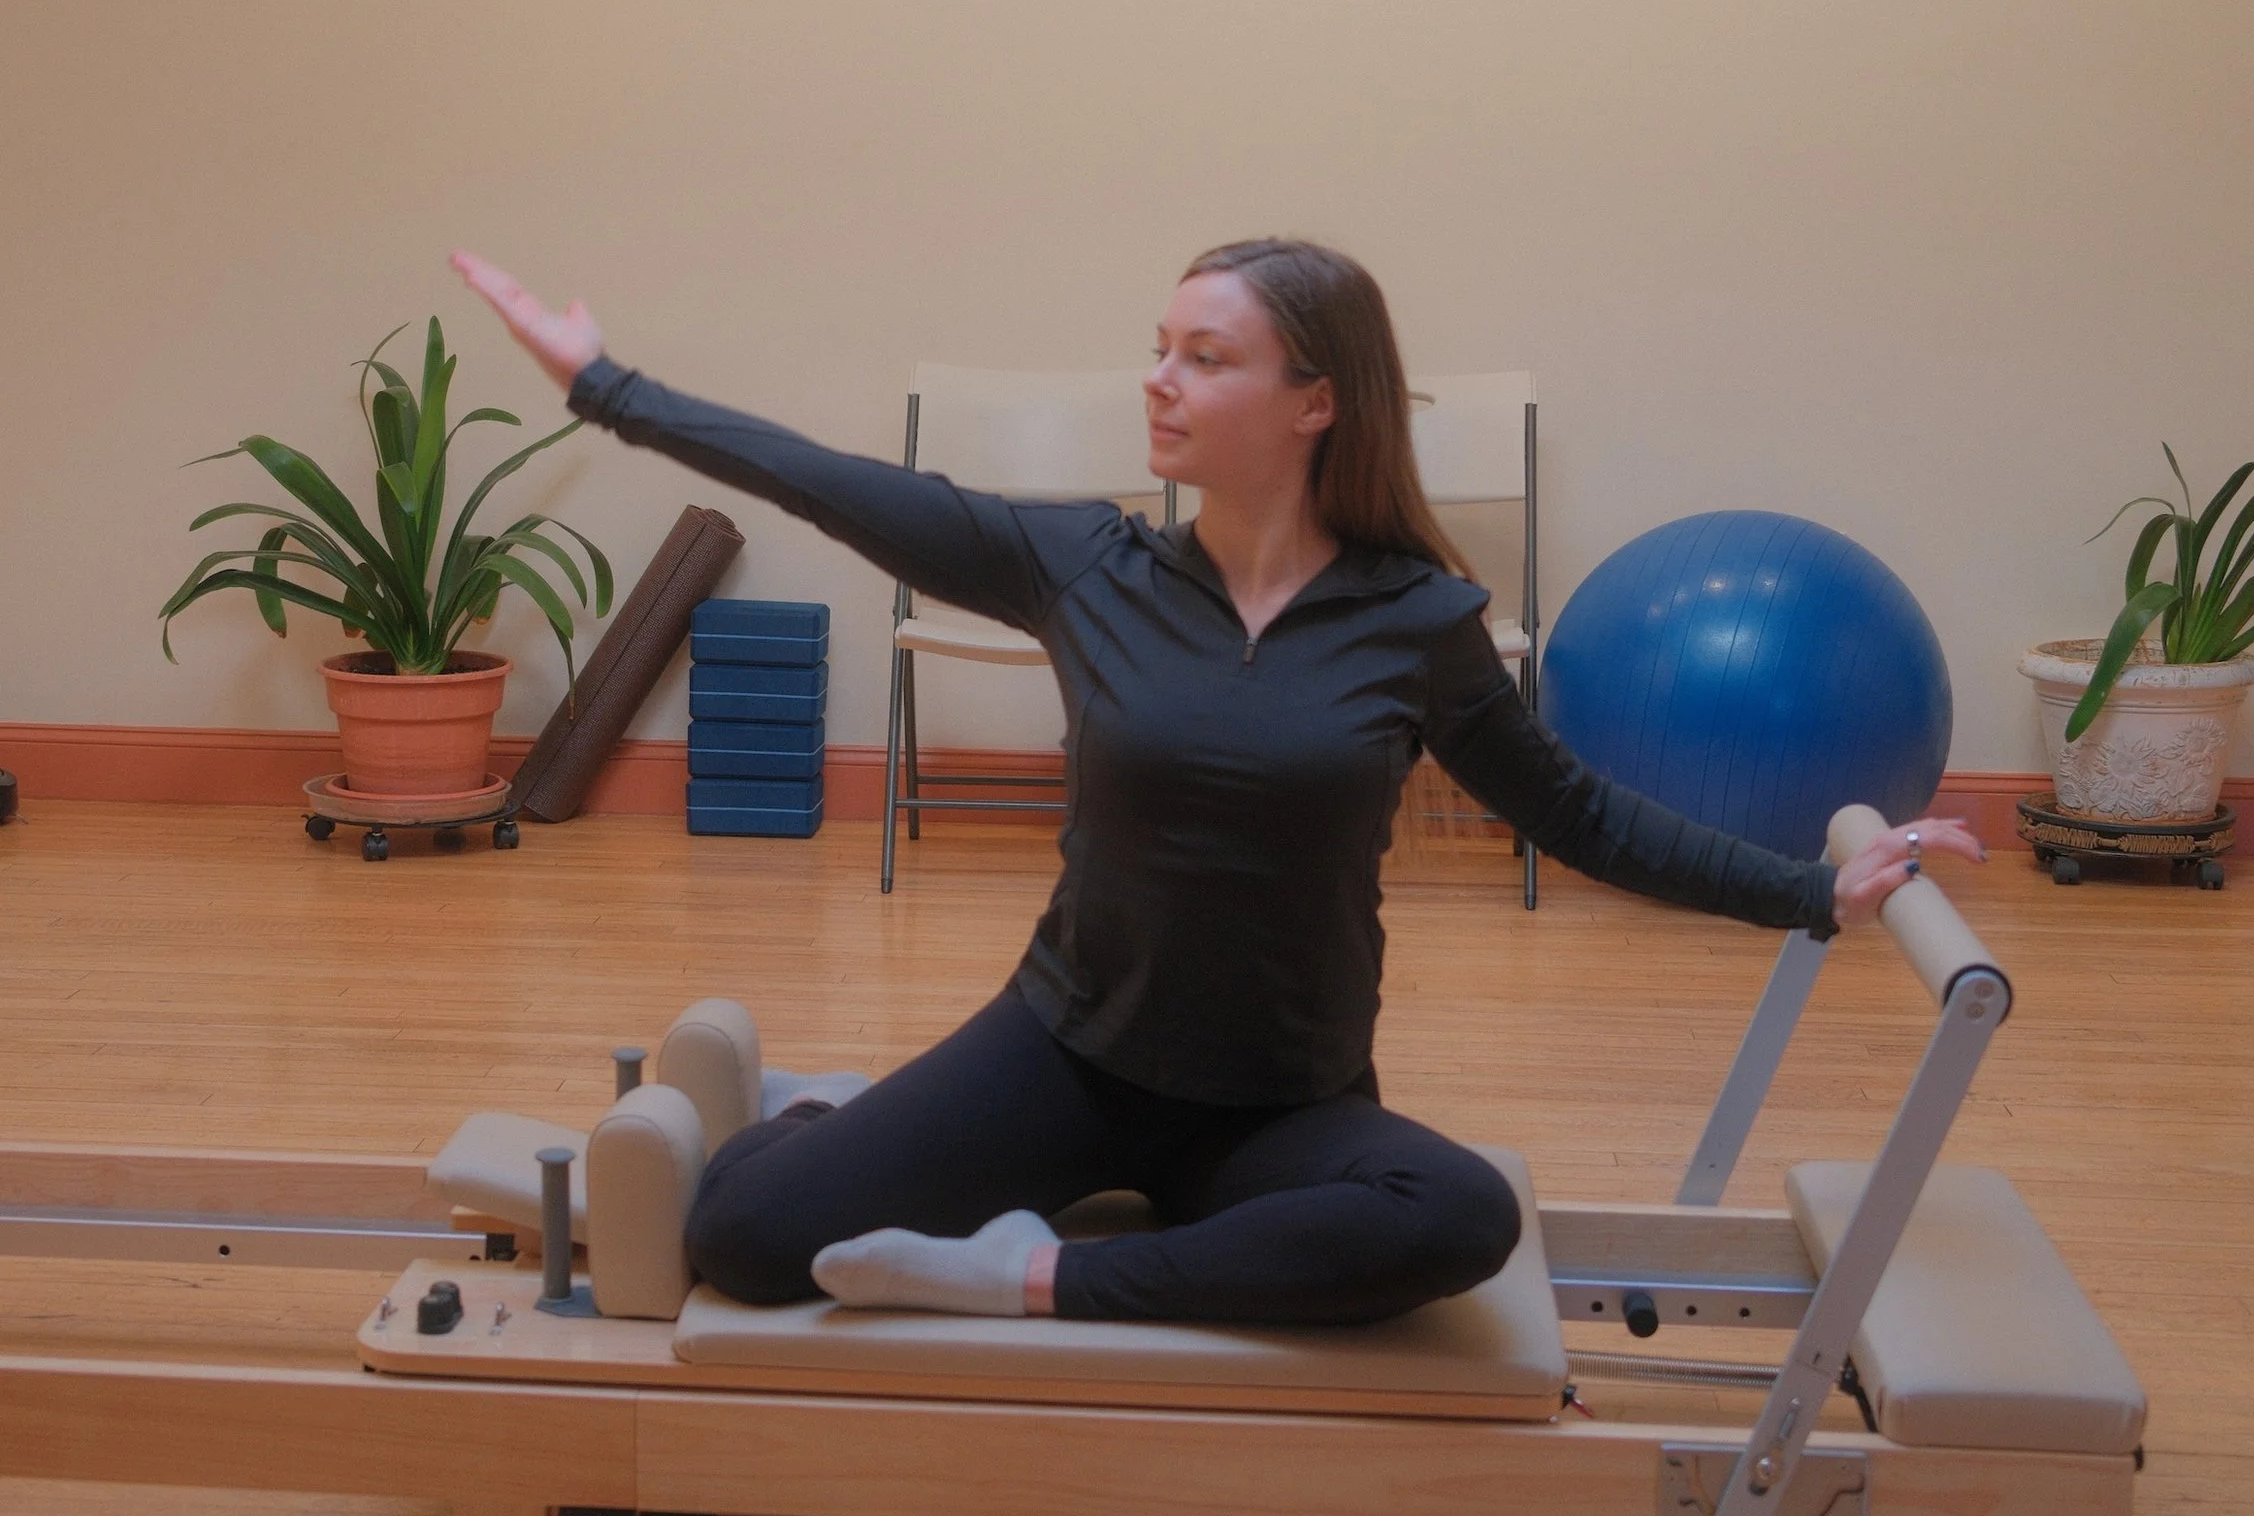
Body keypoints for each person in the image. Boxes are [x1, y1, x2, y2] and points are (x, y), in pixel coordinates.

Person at [452, 239, 1980, 1326]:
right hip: (1066, 1053)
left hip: (1278, 1106)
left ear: (1315, 401)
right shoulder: (1083, 567)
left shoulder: (1419, 621)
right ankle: (812, 1126)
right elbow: (841, 486)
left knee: (1455, 1220)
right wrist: (607, 385)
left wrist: (1810, 892)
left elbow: (1572, 813)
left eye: (1205, 354)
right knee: (746, 1231)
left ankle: (1028, 1275)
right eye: (1161, 347)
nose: (1158, 380)